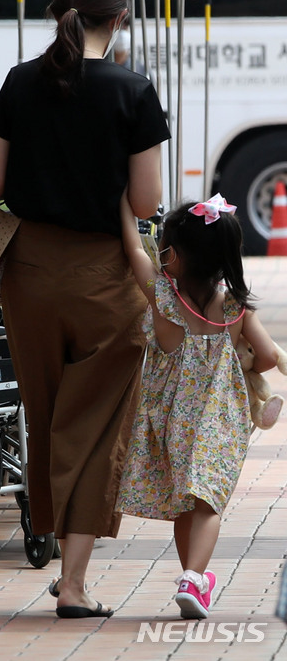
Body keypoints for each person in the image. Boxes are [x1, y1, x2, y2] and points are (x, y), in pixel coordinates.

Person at [0, 0, 170, 618]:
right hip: (103, 280)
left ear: (57, 13)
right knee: (92, 428)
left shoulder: (19, 83)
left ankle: (58, 552)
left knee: (48, 415)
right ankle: (76, 582)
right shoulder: (132, 91)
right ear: (119, 19)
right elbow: (146, 201)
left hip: (28, 275)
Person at [118, 192, 279, 619]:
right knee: (207, 502)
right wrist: (243, 358)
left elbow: (134, 248)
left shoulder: (164, 301)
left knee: (184, 504)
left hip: (171, 423)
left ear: (176, 256)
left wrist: (121, 201)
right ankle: (195, 579)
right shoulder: (235, 310)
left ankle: (192, 575)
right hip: (219, 424)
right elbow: (266, 358)